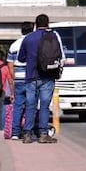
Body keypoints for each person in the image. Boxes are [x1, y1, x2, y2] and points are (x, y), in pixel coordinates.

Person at [17, 14, 62, 144]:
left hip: (31, 76)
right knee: (44, 105)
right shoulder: (53, 36)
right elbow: (59, 55)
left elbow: (21, 58)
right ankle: (43, 134)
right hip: (48, 76)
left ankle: (27, 134)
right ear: (48, 24)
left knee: (30, 105)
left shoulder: (28, 38)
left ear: (35, 25)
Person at [7, 22, 33, 140]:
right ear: (32, 30)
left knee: (17, 106)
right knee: (30, 106)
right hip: (31, 78)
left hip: (18, 79)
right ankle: (28, 131)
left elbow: (10, 65)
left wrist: (14, 78)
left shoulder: (14, 45)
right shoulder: (33, 43)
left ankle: (15, 133)